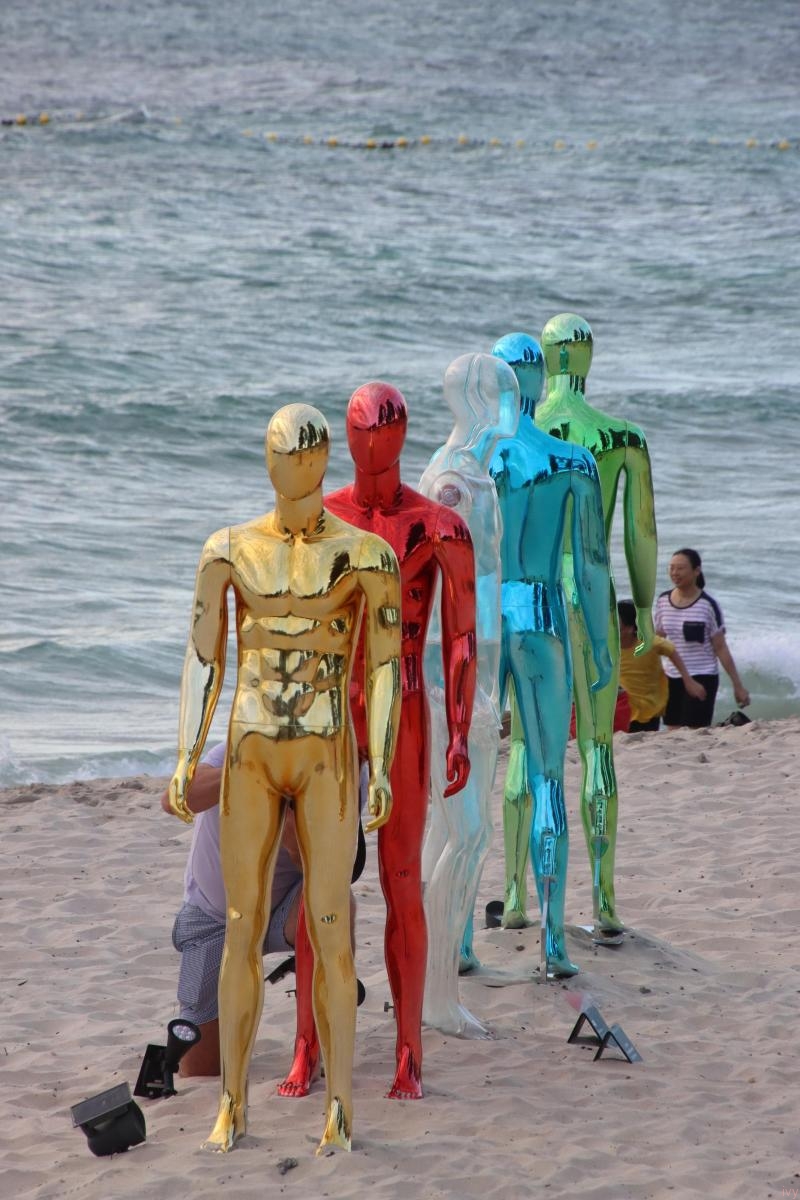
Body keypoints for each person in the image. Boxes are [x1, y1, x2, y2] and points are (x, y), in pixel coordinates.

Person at [166, 403, 402, 1154]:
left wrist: (382, 766)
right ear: (267, 461)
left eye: (305, 452)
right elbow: (204, 657)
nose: (293, 463)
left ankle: (339, 1108)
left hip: (328, 746)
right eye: (281, 451)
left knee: (331, 928)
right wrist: (186, 753)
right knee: (240, 925)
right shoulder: (229, 548)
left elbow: (385, 667)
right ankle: (232, 1105)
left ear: (324, 461)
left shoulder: (367, 555)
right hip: (252, 744)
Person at [280, 381, 477, 1102]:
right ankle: (306, 1046)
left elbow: (462, 638)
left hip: (407, 712)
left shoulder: (441, 527)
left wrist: (460, 731)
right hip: (332, 711)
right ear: (349, 435)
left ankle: (408, 1052)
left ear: (400, 436)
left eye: (382, 431)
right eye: (362, 431)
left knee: (401, 881)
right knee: (322, 885)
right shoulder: (317, 517)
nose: (372, 443)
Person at [490, 331, 612, 974]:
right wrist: (604, 648)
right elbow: (590, 568)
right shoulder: (571, 461)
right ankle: (553, 941)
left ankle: (462, 942)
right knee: (546, 778)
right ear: (540, 384)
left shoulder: (471, 460)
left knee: (468, 783)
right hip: (542, 613)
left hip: (485, 620)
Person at [535, 313, 658, 938]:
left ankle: (520, 897)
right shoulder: (622, 437)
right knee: (598, 748)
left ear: (547, 356)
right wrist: (646, 609)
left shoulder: (518, 433)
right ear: (587, 357)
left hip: (533, 597)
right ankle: (605, 902)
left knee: (532, 752)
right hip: (593, 591)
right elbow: (640, 534)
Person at [162, 742, 303, 1078]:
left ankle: (311, 1044)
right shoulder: (240, 746)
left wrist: (292, 825)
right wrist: (254, 770)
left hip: (282, 911)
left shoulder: (345, 767)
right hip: (214, 918)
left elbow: (333, 869)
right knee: (200, 1070)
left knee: (334, 905)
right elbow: (174, 800)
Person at [654, 548, 750, 728]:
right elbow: (657, 640)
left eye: (680, 568)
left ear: (696, 571)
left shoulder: (708, 605)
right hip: (671, 677)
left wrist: (737, 685)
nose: (674, 573)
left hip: (702, 677)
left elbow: (720, 648)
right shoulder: (663, 601)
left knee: (693, 733)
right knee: (672, 731)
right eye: (671, 568)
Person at [617, 599, 706, 732]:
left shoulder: (649, 643)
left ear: (630, 628)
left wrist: (688, 680)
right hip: (624, 707)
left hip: (650, 707)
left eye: (616, 624)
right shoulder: (609, 646)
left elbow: (672, 651)